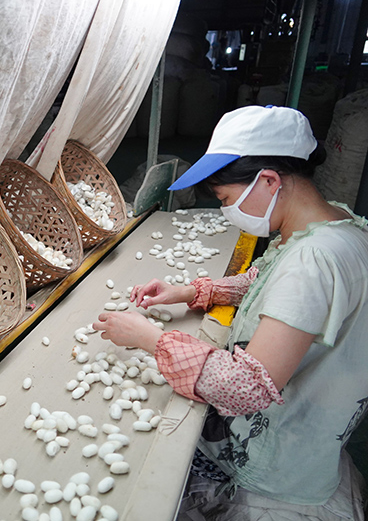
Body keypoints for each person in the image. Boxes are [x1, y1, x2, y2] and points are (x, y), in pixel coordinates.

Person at [93, 106, 368, 520]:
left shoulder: (312, 262)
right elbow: (268, 279)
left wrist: (150, 339)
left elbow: (247, 387)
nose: (225, 210)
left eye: (226, 199)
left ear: (269, 180)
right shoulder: (336, 223)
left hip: (277, 457)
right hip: (315, 431)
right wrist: (192, 291)